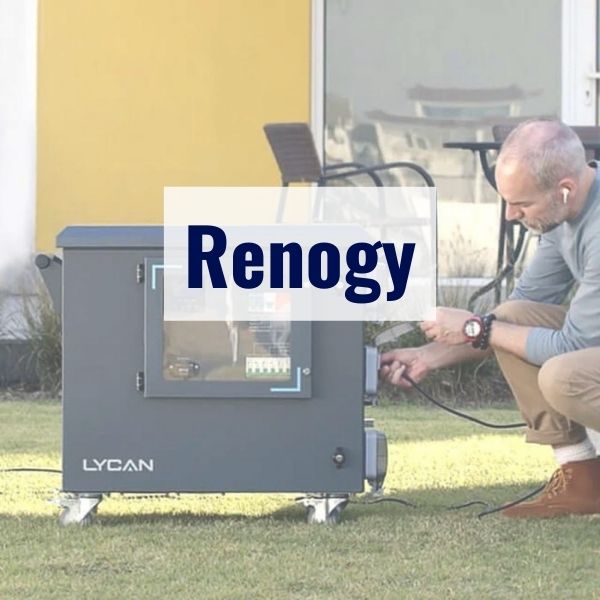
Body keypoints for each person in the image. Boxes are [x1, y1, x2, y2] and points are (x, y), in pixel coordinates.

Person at [380, 119, 600, 518]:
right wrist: (430, 355)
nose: (511, 214)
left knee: (563, 375)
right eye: (506, 200)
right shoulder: (565, 213)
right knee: (514, 315)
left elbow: (575, 346)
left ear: (564, 189)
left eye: (522, 204)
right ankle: (583, 480)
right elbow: (516, 311)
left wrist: (474, 328)